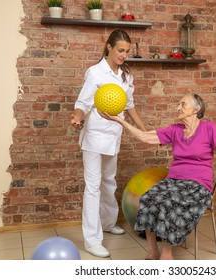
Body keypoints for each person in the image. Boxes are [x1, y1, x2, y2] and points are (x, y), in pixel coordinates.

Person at [101, 93, 216, 260]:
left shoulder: (209, 128)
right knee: (149, 198)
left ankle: (166, 253)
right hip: (173, 181)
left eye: (182, 104)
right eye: (178, 104)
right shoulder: (174, 130)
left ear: (196, 109)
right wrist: (118, 120)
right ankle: (152, 249)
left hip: (198, 185)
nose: (178, 107)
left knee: (170, 203)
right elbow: (145, 137)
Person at [70, 30, 146, 258]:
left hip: (113, 135)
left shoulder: (125, 76)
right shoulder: (95, 72)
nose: (124, 55)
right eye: (120, 50)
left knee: (109, 181)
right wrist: (77, 117)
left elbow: (129, 105)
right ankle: (92, 240)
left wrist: (143, 130)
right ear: (109, 47)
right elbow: (82, 103)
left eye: (127, 51)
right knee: (92, 187)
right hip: (94, 136)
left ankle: (108, 222)